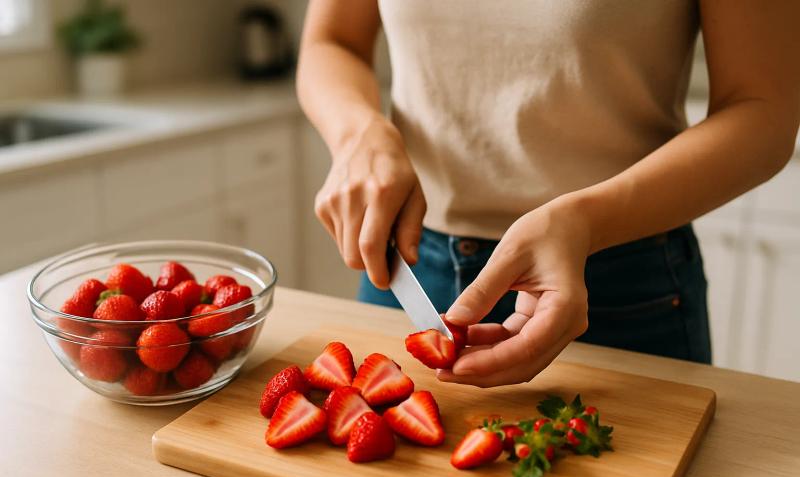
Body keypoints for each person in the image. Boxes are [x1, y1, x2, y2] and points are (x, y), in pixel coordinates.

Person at [296, 1, 800, 387]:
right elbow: (332, 40)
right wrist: (358, 134)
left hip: (622, 286)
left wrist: (586, 221)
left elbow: (763, 110)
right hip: (407, 268)